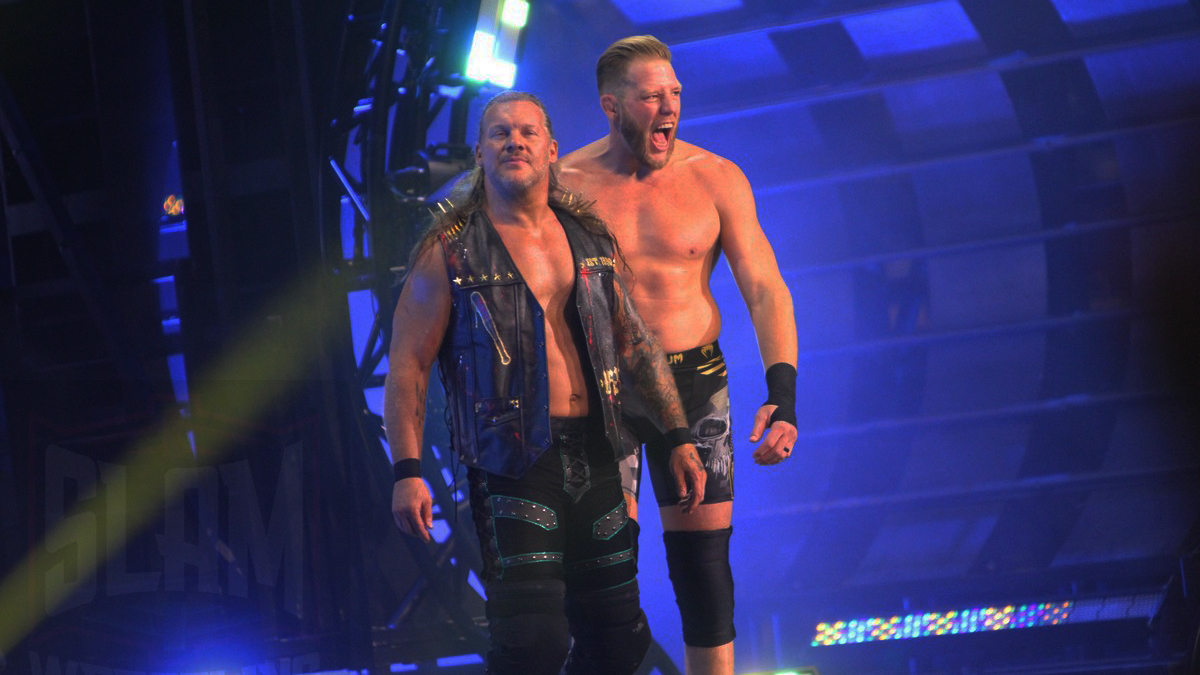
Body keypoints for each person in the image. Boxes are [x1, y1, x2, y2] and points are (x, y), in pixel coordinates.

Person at [385, 90, 707, 675]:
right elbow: (407, 364)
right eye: (500, 133)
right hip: (512, 459)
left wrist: (680, 435)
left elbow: (635, 342)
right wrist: (407, 471)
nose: (515, 141)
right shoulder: (450, 251)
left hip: (599, 450)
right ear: (480, 154)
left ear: (552, 150)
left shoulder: (590, 239)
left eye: (528, 132)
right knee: (532, 639)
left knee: (618, 639)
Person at [558, 35, 799, 675]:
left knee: (704, 568)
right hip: (604, 388)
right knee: (607, 566)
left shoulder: (715, 177)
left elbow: (766, 288)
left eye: (675, 95)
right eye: (650, 96)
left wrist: (784, 396)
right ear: (612, 106)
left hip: (694, 380)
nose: (668, 108)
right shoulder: (564, 188)